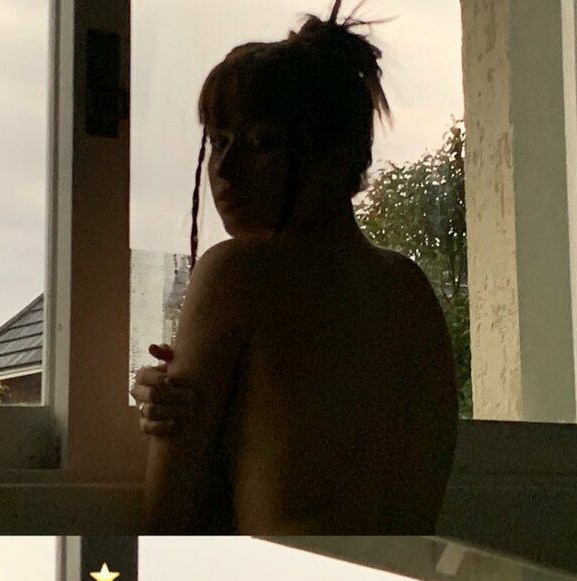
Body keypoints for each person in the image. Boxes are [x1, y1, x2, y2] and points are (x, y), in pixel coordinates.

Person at [137, 0, 458, 535]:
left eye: (262, 143)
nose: (225, 169)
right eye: (218, 141)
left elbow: (167, 522)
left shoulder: (237, 274)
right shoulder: (411, 289)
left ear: (336, 159)